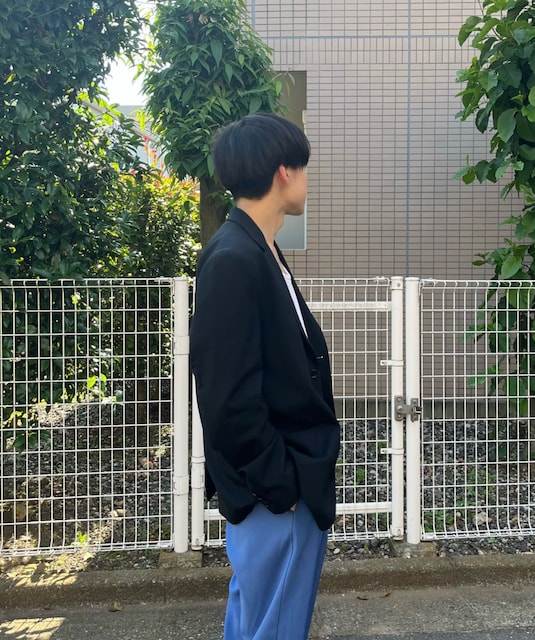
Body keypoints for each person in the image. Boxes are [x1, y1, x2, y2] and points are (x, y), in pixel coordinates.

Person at [190, 112, 341, 640]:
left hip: (278, 487)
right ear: (283, 171)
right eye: (304, 167)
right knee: (273, 628)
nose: (307, 179)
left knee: (256, 623)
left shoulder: (260, 249)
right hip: (274, 493)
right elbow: (226, 395)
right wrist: (280, 484)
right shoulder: (234, 257)